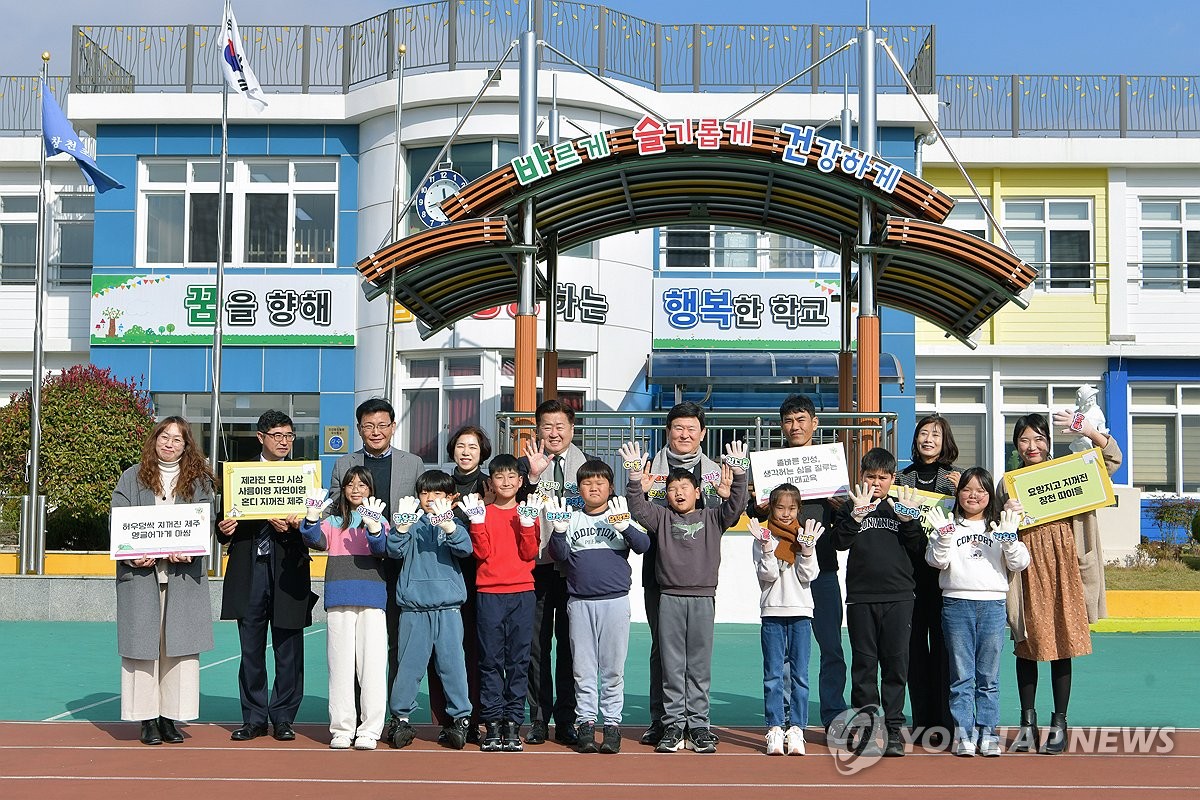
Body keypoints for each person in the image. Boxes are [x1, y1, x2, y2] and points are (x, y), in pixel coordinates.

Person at [1002, 411, 1119, 755]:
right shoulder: (1009, 483)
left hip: (1066, 567)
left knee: (1062, 644)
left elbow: (1112, 459)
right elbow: (995, 522)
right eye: (1024, 439)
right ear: (1016, 445)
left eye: (1038, 438)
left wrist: (1089, 430)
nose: (1031, 446)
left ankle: (1059, 723)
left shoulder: (1071, 470)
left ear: (1049, 443)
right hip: (1026, 569)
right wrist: (1005, 513)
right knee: (1027, 645)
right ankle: (1026, 723)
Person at [622, 439, 749, 754]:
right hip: (669, 599)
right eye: (673, 488)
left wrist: (740, 473)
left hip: (703, 600)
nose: (679, 492)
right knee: (672, 664)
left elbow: (736, 505)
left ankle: (699, 726)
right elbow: (637, 507)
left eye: (685, 487)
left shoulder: (713, 518)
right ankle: (674, 724)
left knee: (699, 665)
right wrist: (635, 479)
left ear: (697, 492)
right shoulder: (661, 519)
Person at [112, 417, 216, 746]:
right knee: (142, 648)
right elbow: (118, 522)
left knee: (180, 649)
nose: (169, 444)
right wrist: (131, 555)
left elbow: (207, 520)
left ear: (187, 446)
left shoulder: (198, 480)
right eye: (164, 437)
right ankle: (146, 719)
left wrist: (191, 550)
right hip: (142, 575)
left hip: (183, 576)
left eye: (177, 439)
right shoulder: (132, 477)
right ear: (155, 439)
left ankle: (171, 717)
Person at [747, 394, 848, 733]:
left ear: (814, 424)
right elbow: (753, 511)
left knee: (831, 649)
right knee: (786, 656)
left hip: (822, 568)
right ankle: (788, 720)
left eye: (802, 419)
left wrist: (842, 506)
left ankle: (833, 715)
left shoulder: (829, 463)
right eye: (789, 420)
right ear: (782, 426)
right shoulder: (769, 466)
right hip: (781, 573)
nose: (796, 426)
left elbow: (844, 524)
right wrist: (756, 505)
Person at [216, 410, 316, 743]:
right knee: (251, 651)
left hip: (288, 569)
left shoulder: (304, 477)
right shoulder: (239, 476)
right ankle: (254, 717)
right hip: (249, 570)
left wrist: (297, 527)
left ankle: (284, 717)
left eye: (289, 436)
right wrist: (224, 529)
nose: (285, 442)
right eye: (278, 435)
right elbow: (222, 524)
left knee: (289, 651)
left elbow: (317, 529)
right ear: (261, 437)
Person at [637, 401, 727, 746]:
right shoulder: (649, 466)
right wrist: (638, 486)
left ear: (702, 434)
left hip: (697, 572)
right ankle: (663, 721)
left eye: (692, 429)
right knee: (663, 648)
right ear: (668, 431)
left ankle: (696, 722)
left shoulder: (715, 471)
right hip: (658, 568)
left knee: (696, 654)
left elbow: (727, 512)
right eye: (678, 428)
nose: (685, 434)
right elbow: (637, 506)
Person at [548, 460, 651, 755]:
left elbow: (643, 545)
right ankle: (585, 724)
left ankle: (612, 725)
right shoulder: (572, 517)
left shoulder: (619, 513)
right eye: (587, 483)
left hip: (614, 602)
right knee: (582, 669)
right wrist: (558, 531)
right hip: (579, 602)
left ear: (610, 487)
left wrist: (624, 527)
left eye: (600, 483)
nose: (594, 488)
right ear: (579, 488)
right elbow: (559, 555)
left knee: (612, 669)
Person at [925, 469, 1029, 757]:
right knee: (961, 676)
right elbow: (935, 561)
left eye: (981, 490)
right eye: (967, 489)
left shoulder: (1001, 526)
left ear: (989, 496)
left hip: (993, 606)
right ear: (958, 495)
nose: (974, 495)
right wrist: (944, 537)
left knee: (989, 677)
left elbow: (1020, 562)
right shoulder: (948, 525)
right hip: (956, 605)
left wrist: (1009, 539)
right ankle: (964, 734)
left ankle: (988, 734)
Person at [329, 398, 424, 708]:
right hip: (360, 565)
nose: (376, 431)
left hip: (398, 563)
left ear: (393, 427)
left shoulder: (412, 463)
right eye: (368, 426)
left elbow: (420, 509)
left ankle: (397, 711)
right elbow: (333, 507)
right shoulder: (345, 463)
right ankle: (358, 711)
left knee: (397, 641)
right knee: (357, 646)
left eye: (382, 425)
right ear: (359, 429)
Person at [834, 448, 925, 757]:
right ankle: (867, 728)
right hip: (861, 598)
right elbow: (839, 543)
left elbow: (919, 550)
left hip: (899, 598)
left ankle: (895, 730)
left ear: (892, 479)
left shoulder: (903, 508)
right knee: (863, 666)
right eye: (870, 477)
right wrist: (855, 518)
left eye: (882, 477)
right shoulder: (852, 507)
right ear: (862, 477)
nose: (876, 483)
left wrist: (909, 522)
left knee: (896, 666)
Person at [299, 467, 389, 750]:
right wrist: (312, 517)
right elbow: (314, 540)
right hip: (339, 597)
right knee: (339, 665)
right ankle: (342, 728)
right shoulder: (333, 520)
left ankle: (370, 729)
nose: (356, 489)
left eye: (362, 484)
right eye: (350, 484)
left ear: (371, 489)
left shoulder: (379, 518)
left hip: (373, 598)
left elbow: (383, 548)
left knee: (372, 666)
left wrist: (374, 526)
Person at [385, 470, 474, 750]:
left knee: (453, 666)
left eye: (438, 493)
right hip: (414, 608)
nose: (431, 498)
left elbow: (466, 549)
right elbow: (393, 551)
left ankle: (460, 719)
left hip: (448, 609)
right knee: (409, 668)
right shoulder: (410, 522)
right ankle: (400, 718)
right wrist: (400, 528)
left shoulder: (455, 524)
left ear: (450, 498)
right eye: (425, 493)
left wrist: (449, 526)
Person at [459, 454, 540, 752]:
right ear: (491, 482)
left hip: (522, 593)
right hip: (489, 593)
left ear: (520, 482)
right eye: (499, 477)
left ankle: (513, 724)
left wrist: (528, 525)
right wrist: (477, 523)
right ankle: (492, 723)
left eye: (511, 477)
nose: (506, 482)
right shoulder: (483, 512)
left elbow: (530, 552)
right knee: (490, 660)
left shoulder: (526, 511)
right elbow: (480, 553)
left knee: (518, 661)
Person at [517, 399, 585, 746]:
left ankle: (568, 718)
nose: (554, 433)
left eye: (560, 426)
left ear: (572, 430)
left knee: (571, 646)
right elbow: (513, 505)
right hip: (537, 567)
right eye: (547, 426)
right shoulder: (524, 465)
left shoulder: (587, 466)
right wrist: (531, 476)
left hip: (573, 567)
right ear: (538, 429)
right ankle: (539, 718)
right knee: (536, 645)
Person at [896, 414, 960, 741]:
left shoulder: (957, 479)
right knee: (915, 654)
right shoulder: (900, 478)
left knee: (946, 654)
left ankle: (946, 723)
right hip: (909, 579)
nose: (929, 439)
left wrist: (963, 489)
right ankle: (921, 723)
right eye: (923, 433)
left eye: (936, 434)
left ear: (945, 440)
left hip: (947, 580)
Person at [750, 483, 822, 757]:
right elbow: (766, 576)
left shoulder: (805, 536)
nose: (785, 513)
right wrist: (767, 547)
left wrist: (806, 550)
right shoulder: (762, 536)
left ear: (799, 509)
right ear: (771, 507)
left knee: (800, 675)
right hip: (772, 613)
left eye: (791, 508)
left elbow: (808, 576)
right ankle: (775, 728)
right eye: (780, 507)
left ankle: (797, 729)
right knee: (774, 673)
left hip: (801, 612)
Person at [430, 424, 492, 743]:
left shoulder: (490, 487)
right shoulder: (440, 485)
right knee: (443, 650)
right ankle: (447, 719)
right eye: (461, 446)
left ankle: (476, 719)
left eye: (473, 447)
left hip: (479, 578)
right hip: (443, 576)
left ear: (482, 453)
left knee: (475, 651)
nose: (466, 452)